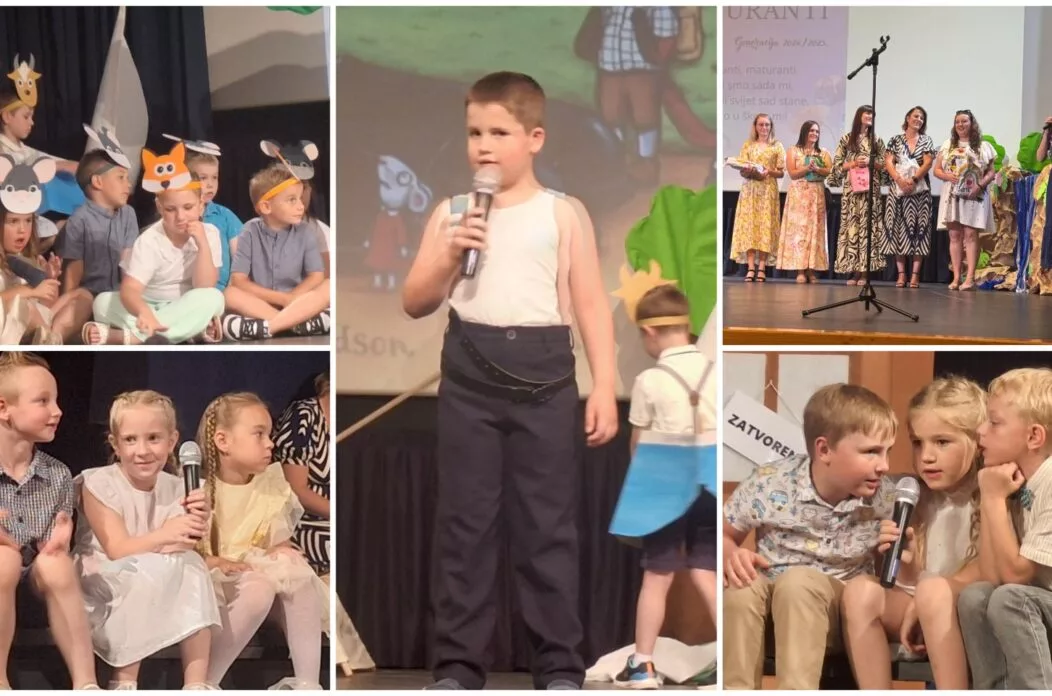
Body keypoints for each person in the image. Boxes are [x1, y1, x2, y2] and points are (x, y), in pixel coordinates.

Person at [401, 70, 618, 690]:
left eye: (499, 132)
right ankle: (458, 667)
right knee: (464, 528)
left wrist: (604, 385)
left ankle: (559, 666)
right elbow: (415, 301)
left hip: (545, 380)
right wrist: (450, 253)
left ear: (535, 138)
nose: (484, 146)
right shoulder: (452, 212)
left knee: (548, 529)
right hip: (470, 379)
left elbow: (590, 304)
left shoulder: (562, 213)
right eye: (475, 133)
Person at [722, 383, 897, 689]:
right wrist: (732, 554)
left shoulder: (886, 498)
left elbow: (889, 583)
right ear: (824, 450)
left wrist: (895, 550)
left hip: (836, 613)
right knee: (741, 588)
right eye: (871, 452)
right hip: (771, 606)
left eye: (887, 452)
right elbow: (724, 535)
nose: (884, 466)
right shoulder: (769, 483)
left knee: (798, 583)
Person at [840, 377, 983, 689]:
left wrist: (927, 593)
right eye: (918, 443)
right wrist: (905, 566)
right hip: (920, 602)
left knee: (933, 591)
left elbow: (992, 568)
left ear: (976, 440)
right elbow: (913, 581)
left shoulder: (992, 492)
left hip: (965, 608)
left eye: (942, 442)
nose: (927, 456)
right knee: (861, 592)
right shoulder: (909, 494)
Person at [73, 390, 218, 689]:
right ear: (115, 444)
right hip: (103, 574)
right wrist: (166, 534)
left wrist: (196, 521)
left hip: (156, 571)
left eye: (153, 438)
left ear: (172, 441)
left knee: (193, 565)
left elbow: (181, 545)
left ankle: (195, 683)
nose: (142, 450)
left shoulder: (181, 487)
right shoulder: (99, 483)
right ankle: (124, 681)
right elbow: (117, 549)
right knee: (141, 570)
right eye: (130, 439)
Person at [612, 284, 716, 689]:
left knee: (657, 576)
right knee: (705, 571)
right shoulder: (714, 370)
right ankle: (729, 659)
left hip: (664, 485)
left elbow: (639, 444)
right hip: (708, 483)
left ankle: (643, 664)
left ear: (649, 332)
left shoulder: (649, 380)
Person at [197, 392, 325, 690]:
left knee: (293, 567)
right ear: (223, 441)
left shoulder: (271, 484)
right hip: (208, 579)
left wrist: (281, 552)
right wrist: (218, 562)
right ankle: (205, 682)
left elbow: (277, 541)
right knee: (259, 587)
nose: (271, 443)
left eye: (269, 434)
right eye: (259, 434)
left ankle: (308, 683)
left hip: (250, 573)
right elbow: (188, 552)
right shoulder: (199, 488)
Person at [0, 352, 98, 690]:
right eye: (43, 401)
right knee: (4, 559)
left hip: (38, 589)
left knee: (56, 563)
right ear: (3, 408)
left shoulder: (57, 475)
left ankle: (86, 683)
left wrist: (58, 543)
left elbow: (55, 542)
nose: (57, 411)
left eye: (55, 400)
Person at [958, 367, 1052, 689]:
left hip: (1035, 598)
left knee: (1011, 599)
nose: (981, 431)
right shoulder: (1011, 480)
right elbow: (991, 575)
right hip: (1040, 599)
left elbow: (1016, 576)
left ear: (1034, 437)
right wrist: (992, 496)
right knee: (975, 596)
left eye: (994, 423)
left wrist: (994, 499)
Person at [84, 143, 225, 345]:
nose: (180, 217)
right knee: (102, 303)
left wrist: (202, 244)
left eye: (188, 207)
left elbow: (204, 285)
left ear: (201, 206)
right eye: (170, 209)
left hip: (186, 302)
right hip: (149, 302)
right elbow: (130, 289)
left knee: (214, 298)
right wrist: (144, 312)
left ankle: (133, 338)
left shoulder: (210, 233)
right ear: (159, 207)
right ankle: (187, 330)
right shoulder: (150, 240)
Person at [221, 165, 330, 341]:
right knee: (229, 294)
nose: (301, 206)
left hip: (299, 300)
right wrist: (282, 299)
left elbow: (316, 276)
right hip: (261, 303)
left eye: (300, 199)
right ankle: (297, 324)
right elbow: (239, 280)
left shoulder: (306, 231)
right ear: (266, 206)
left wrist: (293, 297)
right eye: (292, 200)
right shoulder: (249, 231)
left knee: (329, 286)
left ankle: (270, 326)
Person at [933, 110, 996, 291]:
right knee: (954, 235)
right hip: (952, 194)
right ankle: (956, 277)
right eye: (957, 122)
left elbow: (991, 171)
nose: (960, 125)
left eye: (964, 121)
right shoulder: (948, 145)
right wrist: (947, 176)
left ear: (972, 123)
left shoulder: (983, 146)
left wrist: (980, 185)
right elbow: (937, 170)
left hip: (974, 194)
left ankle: (970, 278)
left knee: (970, 235)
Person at [828, 105, 887, 284]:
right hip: (852, 191)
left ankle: (865, 272)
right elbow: (837, 166)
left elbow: (884, 166)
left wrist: (870, 161)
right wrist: (853, 163)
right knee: (852, 227)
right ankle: (853, 270)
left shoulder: (876, 140)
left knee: (868, 228)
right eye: (867, 113)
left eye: (872, 114)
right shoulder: (847, 139)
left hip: (870, 191)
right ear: (859, 115)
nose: (870, 116)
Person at [883, 106, 936, 288]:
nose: (918, 120)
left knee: (919, 230)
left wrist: (913, 180)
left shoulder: (926, 140)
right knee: (897, 230)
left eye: (922, 118)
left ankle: (915, 275)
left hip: (919, 192)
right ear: (907, 118)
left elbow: (928, 163)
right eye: (916, 116)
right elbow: (888, 162)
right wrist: (899, 180)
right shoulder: (895, 140)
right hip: (897, 191)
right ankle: (901, 275)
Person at [729, 114, 785, 282]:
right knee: (750, 228)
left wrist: (769, 171)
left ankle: (762, 267)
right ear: (755, 127)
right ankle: (750, 267)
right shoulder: (748, 145)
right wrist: (747, 170)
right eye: (761, 124)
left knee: (765, 227)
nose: (764, 128)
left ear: (771, 127)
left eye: (767, 125)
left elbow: (781, 172)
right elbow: (742, 168)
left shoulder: (777, 146)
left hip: (768, 191)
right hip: (750, 190)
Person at [182, 143, 243, 291]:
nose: (210, 184)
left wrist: (233, 285)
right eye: (203, 178)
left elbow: (240, 256)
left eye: (214, 177)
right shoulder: (179, 216)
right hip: (186, 288)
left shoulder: (224, 216)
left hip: (222, 289)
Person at [775, 120, 831, 283]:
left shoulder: (823, 152)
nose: (814, 134)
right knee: (799, 232)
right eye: (812, 131)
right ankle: (800, 270)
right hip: (798, 196)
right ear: (804, 132)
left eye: (817, 131)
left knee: (815, 232)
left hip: (816, 196)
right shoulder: (793, 150)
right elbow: (792, 173)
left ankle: (811, 270)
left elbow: (829, 170)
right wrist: (807, 168)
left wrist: (818, 169)